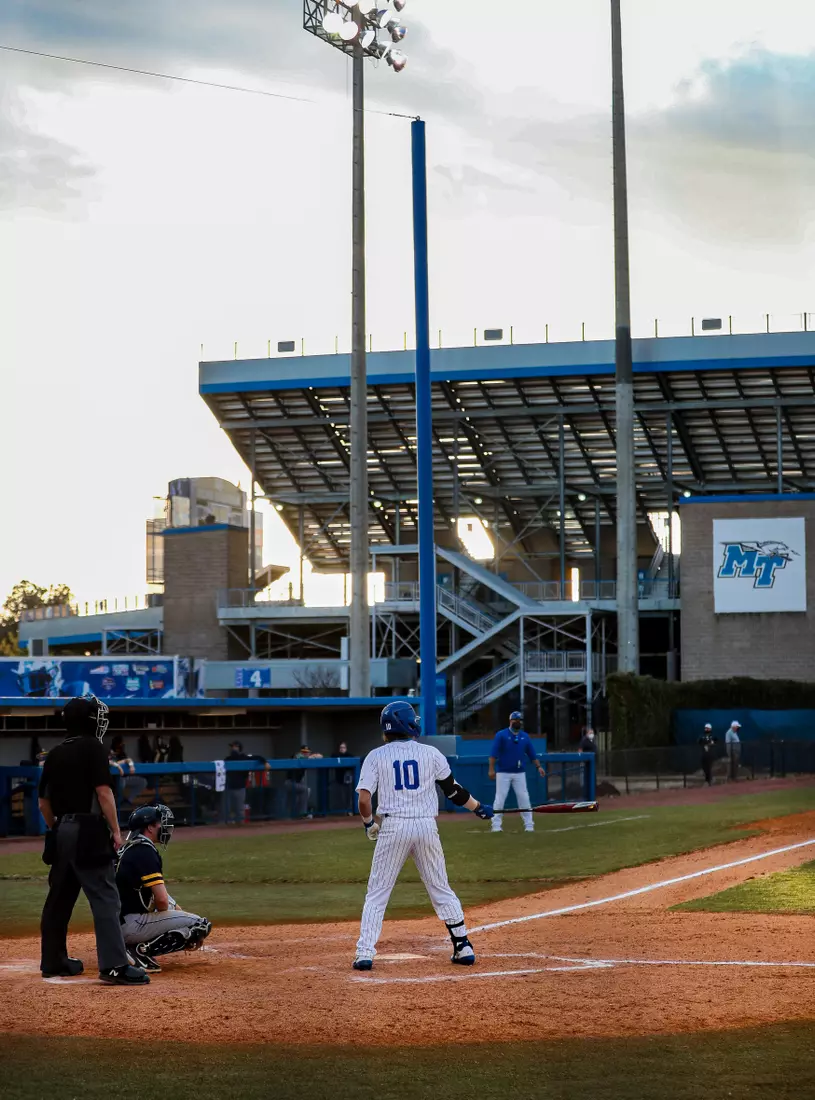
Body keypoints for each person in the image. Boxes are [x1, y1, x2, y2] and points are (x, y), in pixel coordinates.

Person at [353, 701, 494, 971]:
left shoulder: (375, 756)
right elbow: (454, 792)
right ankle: (462, 945)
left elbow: (363, 799)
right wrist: (479, 808)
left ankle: (364, 953)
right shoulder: (431, 753)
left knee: (377, 894)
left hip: (393, 828)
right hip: (426, 827)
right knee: (440, 888)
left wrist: (369, 823)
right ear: (410, 723)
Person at [37, 695, 148, 986]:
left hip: (61, 830)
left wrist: (57, 829)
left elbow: (43, 803)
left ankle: (53, 961)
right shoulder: (94, 747)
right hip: (88, 828)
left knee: (58, 899)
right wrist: (115, 831)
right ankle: (113, 966)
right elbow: (103, 792)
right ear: (89, 720)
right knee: (105, 897)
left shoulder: (55, 753)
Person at [116, 804, 211, 972]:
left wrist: (176, 911)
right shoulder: (145, 851)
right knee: (200, 925)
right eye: (160, 823)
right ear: (150, 827)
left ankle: (131, 945)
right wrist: (174, 919)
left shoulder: (127, 849)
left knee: (173, 906)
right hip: (131, 925)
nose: (165, 827)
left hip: (114, 924)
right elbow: (161, 900)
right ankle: (138, 950)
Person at [488, 711, 546, 833]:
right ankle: (496, 825)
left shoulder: (524, 736)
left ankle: (529, 825)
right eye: (515, 720)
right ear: (510, 721)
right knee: (500, 798)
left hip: (519, 772)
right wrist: (491, 769)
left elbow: (532, 754)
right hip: (503, 772)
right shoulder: (501, 735)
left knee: (524, 797)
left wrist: (538, 767)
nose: (517, 722)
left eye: (519, 720)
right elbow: (493, 754)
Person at [223, 740, 267, 824]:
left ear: (239, 748)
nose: (232, 749)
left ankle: (240, 829)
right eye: (231, 747)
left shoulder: (244, 758)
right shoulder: (227, 759)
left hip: (240, 787)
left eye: (234, 747)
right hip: (228, 787)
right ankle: (227, 829)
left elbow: (258, 757)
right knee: (227, 809)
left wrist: (265, 762)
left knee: (239, 810)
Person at [110, 736, 147, 808]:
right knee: (121, 783)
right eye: (120, 744)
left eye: (122, 744)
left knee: (143, 782)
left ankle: (128, 801)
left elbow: (128, 760)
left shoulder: (122, 753)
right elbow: (110, 763)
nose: (122, 745)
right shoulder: (110, 752)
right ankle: (118, 803)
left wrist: (131, 765)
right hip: (114, 780)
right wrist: (120, 764)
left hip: (124, 778)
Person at [286, 746, 321, 819]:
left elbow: (320, 756)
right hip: (290, 782)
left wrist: (314, 756)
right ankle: (301, 813)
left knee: (306, 791)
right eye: (304, 752)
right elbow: (299, 757)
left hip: (297, 783)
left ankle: (300, 813)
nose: (305, 754)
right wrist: (310, 757)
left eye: (307, 752)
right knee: (305, 790)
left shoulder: (307, 758)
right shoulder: (297, 756)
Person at [335, 741, 356, 816]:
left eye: (343, 747)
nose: (342, 749)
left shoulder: (349, 755)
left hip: (348, 780)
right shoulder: (336, 755)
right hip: (339, 780)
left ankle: (349, 810)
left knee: (349, 795)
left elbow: (354, 762)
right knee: (342, 796)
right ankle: (343, 811)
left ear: (346, 748)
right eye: (341, 747)